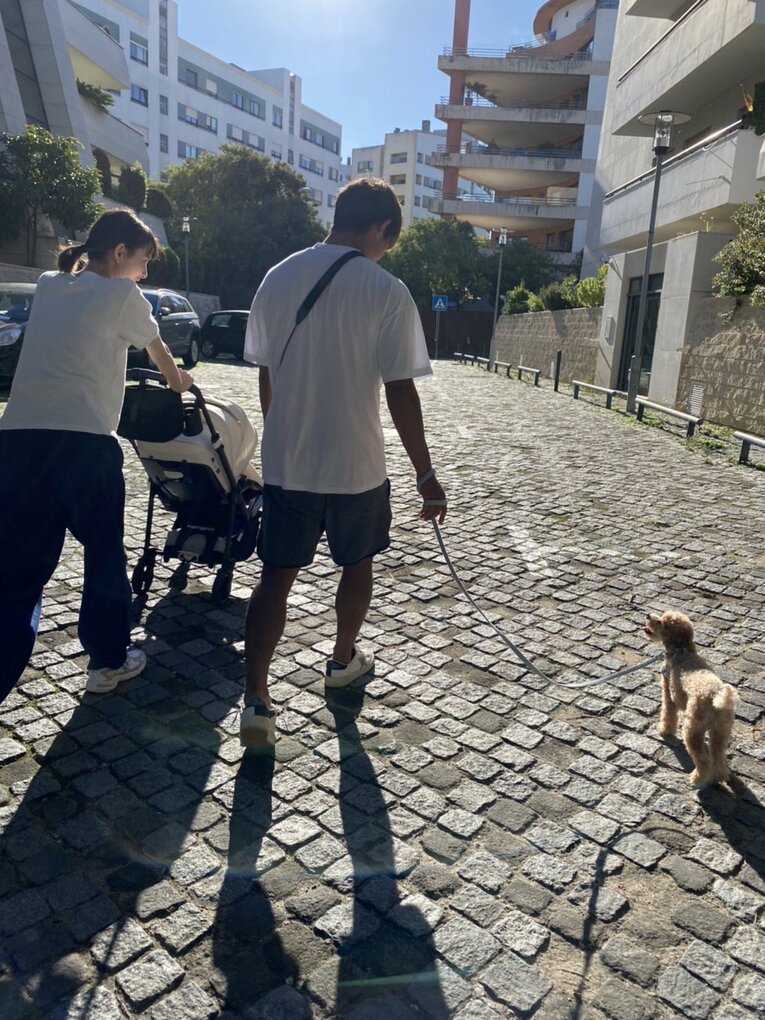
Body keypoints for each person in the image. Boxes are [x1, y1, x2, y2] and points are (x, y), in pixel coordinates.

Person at [240, 178, 447, 749]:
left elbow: (265, 370)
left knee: (275, 578)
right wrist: (425, 474)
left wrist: (282, 431)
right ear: (381, 227)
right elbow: (400, 388)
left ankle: (256, 697)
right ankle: (340, 660)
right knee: (357, 565)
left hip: (288, 463)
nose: (384, 250)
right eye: (388, 240)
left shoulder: (276, 277)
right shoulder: (385, 289)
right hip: (356, 463)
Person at [0, 209, 194, 704]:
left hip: (19, 441)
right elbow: (157, 351)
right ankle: (107, 662)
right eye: (143, 261)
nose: (145, 274)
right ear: (120, 252)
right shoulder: (122, 294)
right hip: (84, 443)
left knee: (18, 565)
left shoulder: (47, 283)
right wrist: (180, 384)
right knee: (103, 553)